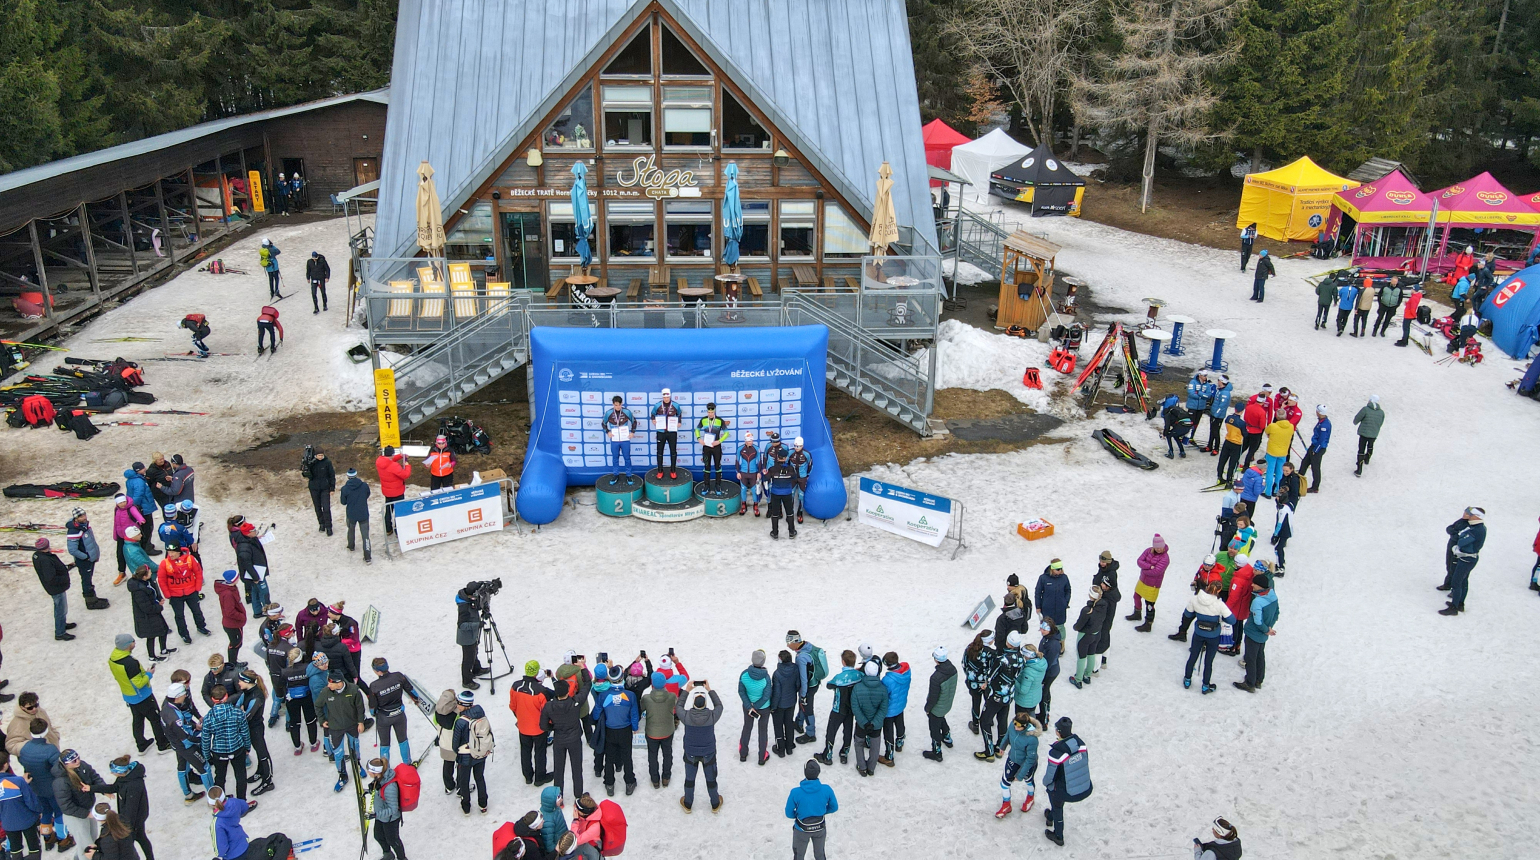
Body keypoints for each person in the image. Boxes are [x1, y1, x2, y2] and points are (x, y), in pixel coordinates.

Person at [108, 635, 169, 755]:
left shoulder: (112, 659)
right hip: (142, 696)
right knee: (156, 719)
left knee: (138, 720)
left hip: (129, 696)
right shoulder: (130, 663)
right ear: (127, 646)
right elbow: (139, 683)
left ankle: (141, 745)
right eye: (132, 642)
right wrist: (149, 674)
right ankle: (162, 744)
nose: (134, 643)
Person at [160, 682, 214, 803]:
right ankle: (215, 799)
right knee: (204, 767)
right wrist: (205, 737)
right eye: (184, 694)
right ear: (178, 697)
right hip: (185, 746)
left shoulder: (166, 706)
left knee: (182, 767)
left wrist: (194, 725)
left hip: (176, 744)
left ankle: (188, 795)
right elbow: (187, 737)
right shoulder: (176, 717)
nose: (186, 696)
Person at [1042, 716, 1091, 846]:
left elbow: (1049, 778)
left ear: (1058, 732)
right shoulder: (1081, 744)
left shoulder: (1056, 753)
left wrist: (1045, 784)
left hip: (1069, 792)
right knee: (1058, 792)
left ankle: (1058, 835)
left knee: (1054, 794)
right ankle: (1050, 816)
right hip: (1084, 786)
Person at [676, 681, 723, 813]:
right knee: (711, 779)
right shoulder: (712, 716)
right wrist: (709, 690)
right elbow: (719, 705)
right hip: (708, 753)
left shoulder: (686, 716)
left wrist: (686, 690)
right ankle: (715, 803)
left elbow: (679, 705)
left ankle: (688, 803)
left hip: (690, 753)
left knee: (689, 779)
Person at [1181, 582, 1236, 694]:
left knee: (1193, 656)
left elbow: (1187, 614)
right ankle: (1205, 685)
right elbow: (1232, 620)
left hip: (1199, 633)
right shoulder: (1219, 604)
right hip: (1213, 635)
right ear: (1219, 591)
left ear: (1207, 587)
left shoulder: (1195, 599)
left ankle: (1187, 679)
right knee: (1208, 661)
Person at [317, 670, 366, 793]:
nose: (329, 685)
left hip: (351, 725)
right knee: (338, 753)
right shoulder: (326, 692)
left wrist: (360, 722)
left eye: (331, 683)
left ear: (339, 683)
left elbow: (360, 707)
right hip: (335, 728)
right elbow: (318, 705)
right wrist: (322, 720)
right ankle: (342, 775)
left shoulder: (354, 690)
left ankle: (357, 765)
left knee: (355, 746)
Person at [975, 631, 1021, 761]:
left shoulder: (1002, 660)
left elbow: (991, 675)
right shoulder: (1021, 658)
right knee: (1002, 719)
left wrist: (985, 684)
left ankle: (989, 751)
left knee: (984, 721)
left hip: (996, 695)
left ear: (1008, 642)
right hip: (1009, 694)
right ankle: (1001, 747)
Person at [201, 686, 252, 800]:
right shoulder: (237, 712)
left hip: (219, 752)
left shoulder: (208, 717)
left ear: (213, 699)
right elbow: (245, 732)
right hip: (237, 748)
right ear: (226, 696)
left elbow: (205, 739)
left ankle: (220, 802)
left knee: (219, 777)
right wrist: (247, 747)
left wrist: (207, 755)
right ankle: (241, 802)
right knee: (240, 776)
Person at [540, 676, 585, 803]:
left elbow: (543, 726)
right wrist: (583, 668)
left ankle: (558, 798)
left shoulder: (549, 706)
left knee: (558, 769)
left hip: (559, 740)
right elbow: (587, 686)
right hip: (575, 739)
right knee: (577, 768)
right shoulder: (576, 702)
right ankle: (578, 796)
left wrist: (553, 727)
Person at [368, 658, 420, 766]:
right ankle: (407, 764)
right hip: (399, 714)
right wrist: (416, 699)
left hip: (384, 718)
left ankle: (384, 769)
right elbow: (411, 691)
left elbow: (372, 707)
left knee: (385, 744)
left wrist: (374, 714)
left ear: (377, 671)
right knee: (403, 740)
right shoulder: (398, 676)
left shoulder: (374, 685)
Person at [595, 668, 639, 797]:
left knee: (609, 758)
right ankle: (630, 782)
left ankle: (609, 784)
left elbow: (596, 714)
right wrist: (635, 727)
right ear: (621, 678)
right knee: (627, 757)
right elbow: (634, 713)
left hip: (609, 730)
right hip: (625, 730)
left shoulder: (603, 695)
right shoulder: (630, 695)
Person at [510, 662, 556, 785]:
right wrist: (550, 724)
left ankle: (528, 776)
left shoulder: (515, 686)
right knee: (540, 752)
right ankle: (540, 777)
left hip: (523, 726)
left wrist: (520, 718)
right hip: (539, 728)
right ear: (537, 673)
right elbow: (546, 711)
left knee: (525, 750)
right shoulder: (541, 691)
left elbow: (513, 706)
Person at [1234, 568, 1279, 692]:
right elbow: (1277, 613)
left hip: (1254, 633)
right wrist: (1269, 627)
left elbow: (1257, 621)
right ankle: (1259, 680)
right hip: (1264, 634)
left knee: (1250, 657)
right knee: (1260, 656)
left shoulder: (1257, 601)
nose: (1252, 585)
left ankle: (1250, 682)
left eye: (1254, 583)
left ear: (1260, 586)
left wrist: (1265, 629)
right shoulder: (1273, 596)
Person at [813, 651, 859, 767]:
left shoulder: (839, 678)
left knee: (831, 730)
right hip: (851, 708)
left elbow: (829, 685)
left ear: (843, 662)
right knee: (848, 730)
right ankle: (844, 753)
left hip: (838, 708)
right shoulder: (859, 675)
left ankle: (827, 755)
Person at [785, 759, 838, 860]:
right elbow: (834, 807)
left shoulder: (795, 792)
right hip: (820, 828)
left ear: (805, 772)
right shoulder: (826, 789)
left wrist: (797, 814)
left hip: (801, 830)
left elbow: (788, 813)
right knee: (820, 855)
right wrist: (822, 811)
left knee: (799, 855)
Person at [156, 545, 209, 645]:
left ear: (178, 552)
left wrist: (197, 588)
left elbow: (198, 572)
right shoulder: (165, 563)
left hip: (191, 591)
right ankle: (184, 634)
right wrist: (167, 594)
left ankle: (201, 626)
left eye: (172, 552)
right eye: (168, 552)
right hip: (175, 595)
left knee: (197, 611)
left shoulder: (190, 559)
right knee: (179, 616)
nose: (170, 554)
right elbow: (161, 580)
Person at [233, 670, 275, 797]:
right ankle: (261, 770)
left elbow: (247, 716)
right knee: (258, 750)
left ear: (247, 682)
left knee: (262, 753)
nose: (238, 683)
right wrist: (241, 710)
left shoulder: (257, 696)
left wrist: (241, 711)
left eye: (240, 681)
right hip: (250, 727)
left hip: (255, 728)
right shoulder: (246, 692)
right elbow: (237, 706)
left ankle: (268, 780)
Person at [1438, 507, 1487, 615]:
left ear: (1476, 516)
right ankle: (1460, 604)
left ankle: (1454, 607)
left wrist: (1458, 545)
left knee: (1456, 582)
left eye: (1470, 513)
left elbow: (1462, 541)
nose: (1467, 514)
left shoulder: (1476, 529)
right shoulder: (1476, 527)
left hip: (1467, 559)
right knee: (1463, 581)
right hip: (1467, 557)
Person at [994, 714, 1042, 818]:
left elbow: (1030, 759)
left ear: (1025, 726)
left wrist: (1020, 775)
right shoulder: (1013, 725)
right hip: (1012, 759)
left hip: (1026, 764)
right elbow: (1008, 735)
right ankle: (1006, 805)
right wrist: (1002, 746)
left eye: (1019, 727)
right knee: (1004, 783)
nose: (1016, 728)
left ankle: (1030, 797)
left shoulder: (1032, 739)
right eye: (1015, 725)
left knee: (1028, 780)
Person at [451, 691, 491, 813]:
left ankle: (466, 807)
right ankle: (483, 805)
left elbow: (455, 744)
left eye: (458, 703)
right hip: (481, 752)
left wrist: (456, 751)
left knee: (464, 781)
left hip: (465, 756)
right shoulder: (480, 713)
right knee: (480, 778)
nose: (457, 705)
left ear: (463, 704)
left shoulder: (461, 722)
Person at [2, 748, 46, 857]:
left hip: (8, 824)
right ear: (6, 765)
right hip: (27, 820)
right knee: (34, 848)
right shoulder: (18, 781)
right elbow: (31, 801)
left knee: (15, 850)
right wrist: (39, 811)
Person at [638, 670, 677, 789]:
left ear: (652, 684)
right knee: (667, 754)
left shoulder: (647, 698)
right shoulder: (671, 697)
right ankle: (666, 777)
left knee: (652, 755)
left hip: (652, 732)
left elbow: (642, 709)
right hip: (667, 731)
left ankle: (655, 779)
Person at [127, 566, 173, 663]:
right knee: (151, 636)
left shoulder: (147, 582)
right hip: (146, 617)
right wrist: (159, 607)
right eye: (149, 572)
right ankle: (152, 657)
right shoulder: (139, 591)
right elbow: (146, 607)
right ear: (144, 576)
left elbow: (154, 590)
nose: (151, 573)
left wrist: (159, 598)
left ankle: (164, 650)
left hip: (153, 613)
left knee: (163, 630)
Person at [65, 508, 109, 610]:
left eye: (84, 515)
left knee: (89, 578)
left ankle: (93, 598)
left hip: (90, 559)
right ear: (76, 518)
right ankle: (91, 602)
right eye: (81, 516)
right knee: (86, 580)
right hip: (84, 561)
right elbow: (72, 550)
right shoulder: (74, 531)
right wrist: (86, 557)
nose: (84, 517)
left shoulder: (84, 526)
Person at [33, 538, 76, 641]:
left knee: (61, 608)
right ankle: (60, 632)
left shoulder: (38, 556)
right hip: (56, 589)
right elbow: (51, 578)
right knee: (60, 609)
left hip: (54, 588)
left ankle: (62, 624)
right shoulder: (45, 560)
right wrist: (65, 578)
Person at [849, 662, 888, 777]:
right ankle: (871, 767)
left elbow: (855, 707)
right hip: (876, 724)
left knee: (859, 743)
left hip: (862, 724)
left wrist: (864, 722)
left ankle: (862, 767)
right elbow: (883, 708)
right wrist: (874, 723)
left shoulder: (857, 688)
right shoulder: (883, 689)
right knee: (875, 746)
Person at [366, 758, 408, 860]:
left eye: (369, 771)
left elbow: (393, 808)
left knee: (393, 840)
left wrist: (376, 815)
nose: (367, 772)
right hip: (381, 816)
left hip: (390, 819)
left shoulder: (390, 787)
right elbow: (380, 794)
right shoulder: (379, 779)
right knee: (378, 835)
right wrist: (368, 791)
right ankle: (388, 854)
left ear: (376, 772)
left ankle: (402, 858)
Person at [230, 518, 271, 620]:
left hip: (256, 572)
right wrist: (255, 577)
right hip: (256, 573)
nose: (255, 531)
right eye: (253, 530)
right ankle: (269, 611)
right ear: (248, 533)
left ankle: (257, 611)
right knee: (264, 592)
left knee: (255, 592)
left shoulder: (248, 539)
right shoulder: (244, 547)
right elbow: (247, 564)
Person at [1067, 587, 1108, 689]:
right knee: (1091, 654)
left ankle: (1078, 679)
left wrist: (1075, 627)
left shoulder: (1087, 610)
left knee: (1081, 657)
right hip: (1097, 634)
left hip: (1085, 635)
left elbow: (1079, 625)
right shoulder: (1104, 606)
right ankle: (1087, 675)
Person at [921, 646, 956, 763]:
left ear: (936, 659)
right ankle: (947, 737)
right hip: (947, 703)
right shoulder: (953, 670)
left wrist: (927, 708)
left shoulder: (936, 677)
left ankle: (937, 752)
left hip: (937, 707)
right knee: (941, 718)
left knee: (934, 729)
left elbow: (933, 697)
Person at [737, 650, 772, 765]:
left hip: (748, 707)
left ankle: (743, 753)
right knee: (763, 731)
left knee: (747, 727)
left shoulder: (744, 674)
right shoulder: (766, 678)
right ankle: (762, 756)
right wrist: (757, 706)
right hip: (763, 708)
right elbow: (767, 695)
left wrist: (749, 706)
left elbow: (741, 692)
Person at [1129, 534, 1170, 632]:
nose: (1158, 549)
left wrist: (1144, 569)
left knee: (1149, 604)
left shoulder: (1165, 558)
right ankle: (1137, 613)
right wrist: (1149, 566)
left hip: (1153, 584)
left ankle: (1148, 624)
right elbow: (1139, 561)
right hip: (1143, 580)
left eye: (1160, 547)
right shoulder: (1148, 551)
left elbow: (1156, 571)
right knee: (1136, 596)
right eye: (1156, 547)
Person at [877, 652, 910, 766]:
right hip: (901, 704)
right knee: (900, 723)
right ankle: (900, 742)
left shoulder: (887, 680)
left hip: (890, 710)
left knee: (888, 731)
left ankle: (889, 755)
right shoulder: (907, 670)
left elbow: (884, 695)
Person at [769, 651, 800, 759]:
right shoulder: (795, 669)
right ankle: (789, 746)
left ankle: (780, 748)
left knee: (778, 726)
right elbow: (797, 684)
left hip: (780, 704)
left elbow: (776, 693)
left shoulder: (777, 673)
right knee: (789, 723)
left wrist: (773, 707)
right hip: (791, 701)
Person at [1034, 559, 1072, 649]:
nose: (1060, 571)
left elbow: (1068, 590)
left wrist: (1065, 602)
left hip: (1060, 608)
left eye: (1061, 569)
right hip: (1047, 608)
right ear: (1052, 569)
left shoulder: (1064, 578)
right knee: (1047, 626)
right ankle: (1047, 643)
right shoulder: (1043, 578)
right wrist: (1038, 606)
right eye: (1057, 569)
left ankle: (1061, 644)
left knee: (1060, 626)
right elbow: (1038, 592)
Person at [339, 468, 372, 563]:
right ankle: (367, 556)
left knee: (351, 530)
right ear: (356, 475)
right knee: (365, 535)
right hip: (363, 512)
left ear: (348, 476)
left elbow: (343, 502)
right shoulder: (364, 486)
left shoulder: (345, 489)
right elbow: (367, 494)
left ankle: (351, 545)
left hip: (351, 513)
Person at [763, 450, 799, 539]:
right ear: (786, 458)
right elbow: (795, 477)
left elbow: (766, 478)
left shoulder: (772, 469)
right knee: (789, 513)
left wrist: (765, 474)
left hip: (775, 493)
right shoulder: (790, 468)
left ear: (777, 457)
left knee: (775, 514)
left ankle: (775, 533)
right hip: (787, 493)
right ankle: (791, 532)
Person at [455, 586, 485, 690]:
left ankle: (477, 669)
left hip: (472, 636)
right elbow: (462, 625)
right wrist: (477, 625)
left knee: (474, 652)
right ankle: (467, 681)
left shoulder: (469, 601)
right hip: (466, 638)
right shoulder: (464, 606)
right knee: (468, 659)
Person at [376, 446, 411, 536]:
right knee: (398, 511)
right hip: (398, 491)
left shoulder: (379, 461)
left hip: (387, 491)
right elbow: (405, 475)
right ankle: (397, 530)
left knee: (388, 510)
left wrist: (400, 456)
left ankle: (388, 529)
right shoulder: (394, 466)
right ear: (392, 454)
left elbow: (390, 460)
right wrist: (407, 466)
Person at [694, 402, 730, 492]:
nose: (710, 414)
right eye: (708, 412)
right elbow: (697, 429)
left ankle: (718, 485)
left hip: (716, 447)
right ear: (707, 412)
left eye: (712, 412)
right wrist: (699, 438)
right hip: (706, 447)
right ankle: (706, 485)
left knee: (718, 466)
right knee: (707, 466)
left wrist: (719, 441)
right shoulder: (703, 420)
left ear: (714, 411)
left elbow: (727, 433)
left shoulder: (719, 420)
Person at [601, 397, 637, 481]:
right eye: (616, 405)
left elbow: (634, 421)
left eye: (619, 405)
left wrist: (632, 432)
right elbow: (603, 423)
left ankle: (628, 475)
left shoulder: (626, 412)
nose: (617, 407)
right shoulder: (609, 413)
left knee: (627, 457)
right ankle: (615, 474)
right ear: (613, 404)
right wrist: (607, 432)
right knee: (615, 457)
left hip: (625, 439)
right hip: (614, 439)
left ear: (622, 404)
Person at [649, 389, 683, 479]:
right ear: (662, 396)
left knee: (673, 451)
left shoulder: (675, 405)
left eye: (668, 397)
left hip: (672, 432)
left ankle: (673, 471)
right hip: (661, 432)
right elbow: (652, 414)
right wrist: (653, 420)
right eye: (665, 397)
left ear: (670, 396)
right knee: (660, 451)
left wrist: (679, 422)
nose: (666, 399)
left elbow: (679, 414)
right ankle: (660, 471)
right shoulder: (657, 405)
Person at [1351, 395, 1384, 477]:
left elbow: (1356, 420)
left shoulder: (1365, 409)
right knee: (1370, 446)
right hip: (1374, 433)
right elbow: (1380, 423)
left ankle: (1359, 469)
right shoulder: (1381, 412)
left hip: (1364, 433)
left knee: (1361, 450)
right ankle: (1367, 459)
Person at [1262, 413, 1294, 497]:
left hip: (1272, 451)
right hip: (1283, 452)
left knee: (1270, 471)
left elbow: (1266, 431)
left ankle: (1268, 492)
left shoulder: (1273, 426)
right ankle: (1277, 490)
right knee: (1280, 472)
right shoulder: (1291, 427)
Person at [305, 448, 335, 536]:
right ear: (315, 455)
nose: (321, 457)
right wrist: (306, 467)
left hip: (325, 488)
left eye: (322, 455)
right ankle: (322, 524)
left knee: (326, 508)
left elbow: (331, 475)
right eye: (319, 455)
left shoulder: (327, 462)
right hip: (314, 488)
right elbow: (305, 473)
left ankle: (329, 526)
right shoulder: (312, 463)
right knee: (317, 507)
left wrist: (332, 488)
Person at [1216, 408, 1246, 485]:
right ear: (1242, 411)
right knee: (1233, 463)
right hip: (1236, 444)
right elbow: (1245, 434)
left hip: (1227, 441)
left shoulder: (1228, 418)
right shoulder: (1242, 423)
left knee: (1222, 460)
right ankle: (1229, 480)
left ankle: (1219, 476)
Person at [735, 431, 763, 516]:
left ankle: (756, 506)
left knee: (754, 490)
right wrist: (738, 472)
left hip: (753, 473)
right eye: (748, 441)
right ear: (745, 441)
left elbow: (759, 461)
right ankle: (743, 506)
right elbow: (737, 461)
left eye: (751, 441)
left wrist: (759, 472)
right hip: (743, 473)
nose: (750, 442)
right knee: (743, 490)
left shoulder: (756, 448)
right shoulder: (740, 449)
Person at [1184, 370, 1214, 446]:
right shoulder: (1193, 382)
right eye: (1204, 375)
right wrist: (1201, 396)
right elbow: (1191, 393)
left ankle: (1191, 437)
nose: (1205, 377)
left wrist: (1199, 393)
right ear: (1200, 375)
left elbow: (1208, 395)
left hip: (1201, 407)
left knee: (1196, 423)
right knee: (1190, 422)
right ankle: (1184, 436)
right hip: (1192, 406)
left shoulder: (1207, 385)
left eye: (1206, 375)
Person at [788, 437, 814, 524]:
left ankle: (800, 513)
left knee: (801, 496)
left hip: (802, 478)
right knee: (790, 495)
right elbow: (786, 464)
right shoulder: (790, 452)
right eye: (795, 446)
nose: (796, 448)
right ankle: (790, 514)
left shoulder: (807, 454)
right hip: (793, 478)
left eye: (798, 446)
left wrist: (807, 475)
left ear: (802, 446)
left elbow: (810, 465)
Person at [1204, 376, 1233, 454]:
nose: (1217, 381)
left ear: (1222, 381)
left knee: (1216, 431)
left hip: (1218, 416)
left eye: (1219, 380)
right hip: (1214, 414)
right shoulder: (1220, 390)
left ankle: (1216, 448)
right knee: (1212, 430)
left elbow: (1222, 406)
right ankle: (1209, 446)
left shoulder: (1225, 393)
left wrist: (1215, 415)